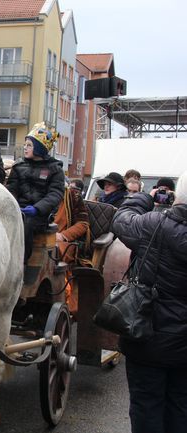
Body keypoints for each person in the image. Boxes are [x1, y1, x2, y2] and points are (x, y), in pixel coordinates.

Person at [111, 170, 187, 433]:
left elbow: (120, 220)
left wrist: (142, 196)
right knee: (181, 408)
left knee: (146, 407)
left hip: (148, 336)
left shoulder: (154, 224)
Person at [6, 122, 64, 262]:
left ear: (40, 148)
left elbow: (55, 194)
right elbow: (11, 190)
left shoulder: (55, 169)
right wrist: (11, 205)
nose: (25, 148)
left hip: (39, 214)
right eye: (25, 144)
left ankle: (20, 262)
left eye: (29, 145)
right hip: (18, 208)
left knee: (27, 224)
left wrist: (37, 209)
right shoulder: (19, 166)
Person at [53, 186, 89, 312]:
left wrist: (63, 235)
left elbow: (83, 224)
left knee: (55, 251)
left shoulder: (73, 195)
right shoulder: (32, 190)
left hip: (62, 240)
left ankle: (62, 295)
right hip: (36, 236)